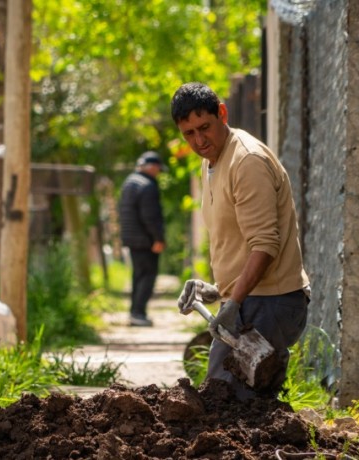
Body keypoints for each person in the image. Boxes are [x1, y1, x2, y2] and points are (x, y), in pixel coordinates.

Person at [171, 82, 309, 400]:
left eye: (204, 127)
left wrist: (233, 302)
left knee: (228, 404)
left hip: (269, 303)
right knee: (233, 409)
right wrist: (218, 290)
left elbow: (264, 246)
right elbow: (237, 240)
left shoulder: (246, 162)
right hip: (250, 299)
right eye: (189, 133)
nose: (199, 140)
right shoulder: (213, 160)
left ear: (222, 113)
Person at [118, 150, 166, 327]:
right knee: (148, 276)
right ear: (152, 167)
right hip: (146, 240)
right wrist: (158, 238)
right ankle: (138, 313)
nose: (159, 173)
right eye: (158, 169)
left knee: (138, 276)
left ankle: (134, 312)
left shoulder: (129, 182)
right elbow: (150, 216)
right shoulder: (148, 186)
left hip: (131, 238)